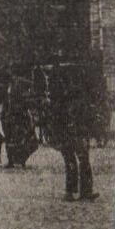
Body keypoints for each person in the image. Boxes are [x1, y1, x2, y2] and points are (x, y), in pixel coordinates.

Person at [50, 69, 96, 202]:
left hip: (71, 135)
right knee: (78, 161)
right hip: (70, 135)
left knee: (75, 161)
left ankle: (76, 191)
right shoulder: (68, 100)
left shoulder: (64, 100)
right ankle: (81, 191)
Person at [1, 79, 38, 169]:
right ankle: (13, 161)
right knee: (11, 141)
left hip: (20, 123)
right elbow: (4, 113)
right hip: (12, 123)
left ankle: (20, 160)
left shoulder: (20, 99)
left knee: (22, 141)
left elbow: (28, 111)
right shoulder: (8, 100)